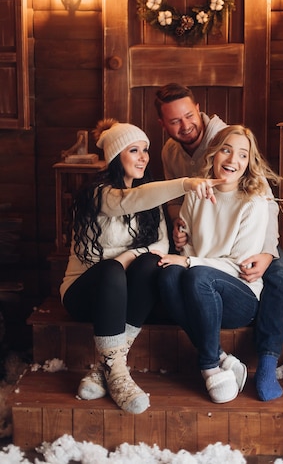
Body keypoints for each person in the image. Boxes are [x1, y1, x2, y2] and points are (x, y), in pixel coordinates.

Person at [59, 118, 223, 415]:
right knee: (111, 270)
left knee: (150, 263)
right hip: (85, 295)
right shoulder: (98, 194)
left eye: (145, 150)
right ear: (114, 157)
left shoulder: (149, 195)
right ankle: (119, 377)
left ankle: (109, 366)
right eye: (134, 150)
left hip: (125, 297)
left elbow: (160, 245)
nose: (144, 157)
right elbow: (126, 203)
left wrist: (129, 258)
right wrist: (185, 184)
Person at [154, 83, 283, 401]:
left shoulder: (227, 139)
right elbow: (177, 202)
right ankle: (218, 359)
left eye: (189, 116)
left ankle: (267, 361)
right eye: (174, 121)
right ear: (163, 124)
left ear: (199, 109)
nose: (185, 125)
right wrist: (180, 230)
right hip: (204, 254)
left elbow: (264, 202)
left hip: (238, 264)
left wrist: (268, 251)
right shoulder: (173, 156)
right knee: (171, 272)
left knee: (279, 269)